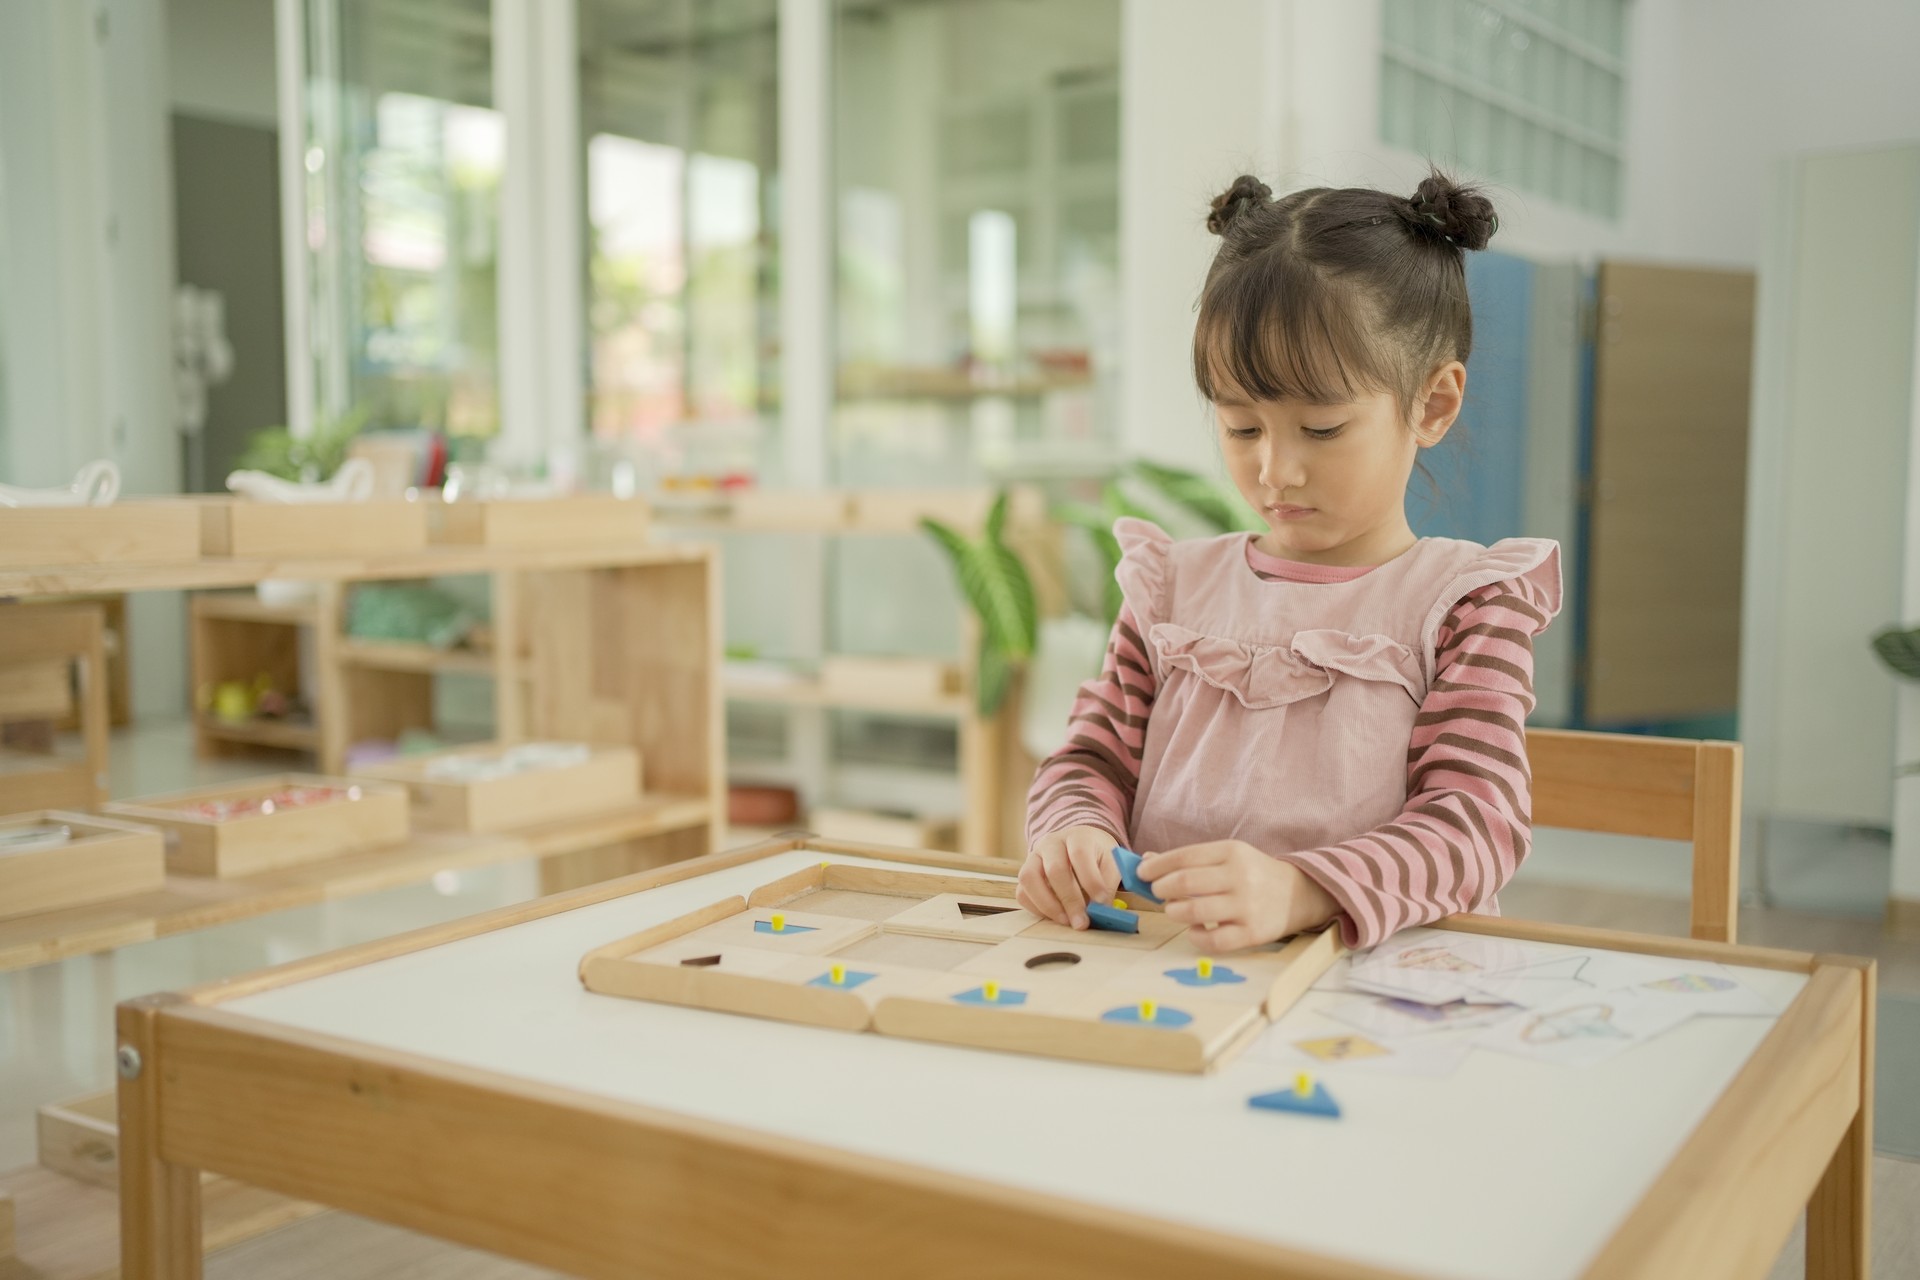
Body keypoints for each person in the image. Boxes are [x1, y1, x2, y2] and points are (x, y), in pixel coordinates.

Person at [1020, 170, 1562, 953]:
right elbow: (1091, 758)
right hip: (1172, 972)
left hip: (1371, 988)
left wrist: (1304, 889)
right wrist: (1072, 831)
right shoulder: (1171, 589)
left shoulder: (1466, 605)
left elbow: (1475, 826)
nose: (1276, 470)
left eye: (1322, 429)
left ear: (1432, 404)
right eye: (1242, 429)